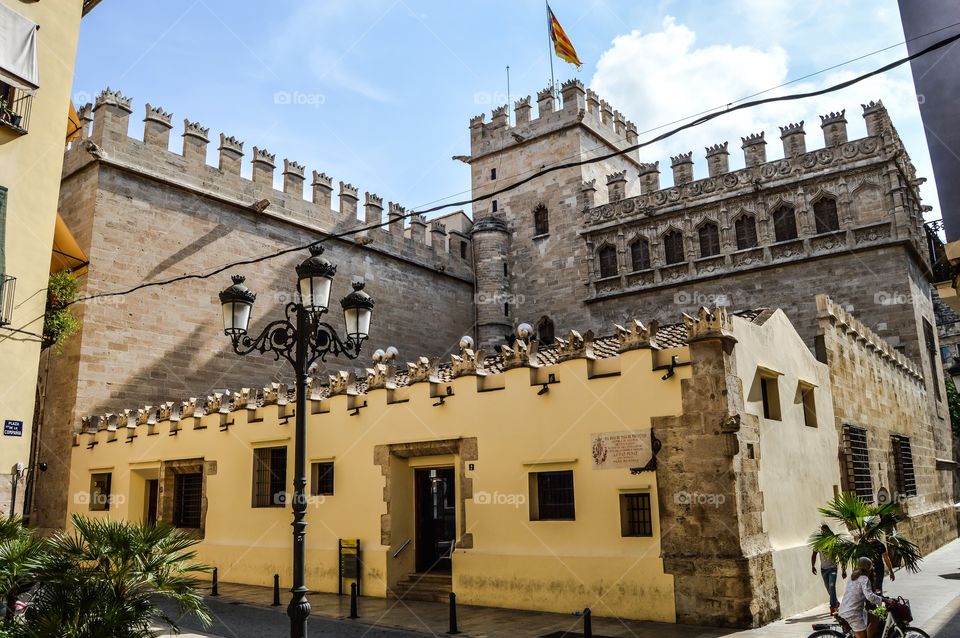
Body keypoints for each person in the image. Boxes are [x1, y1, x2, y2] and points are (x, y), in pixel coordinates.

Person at [838, 557, 893, 638]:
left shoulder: (852, 577)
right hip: (853, 613)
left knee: (874, 619)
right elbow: (869, 596)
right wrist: (885, 600)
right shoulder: (864, 579)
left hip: (849, 609)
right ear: (869, 569)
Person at [811, 525, 846, 613]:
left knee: (831, 586)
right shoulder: (818, 542)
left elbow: (841, 556)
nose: (823, 533)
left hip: (832, 568)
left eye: (825, 531)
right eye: (822, 531)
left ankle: (832, 607)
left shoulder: (833, 542)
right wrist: (813, 566)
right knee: (828, 588)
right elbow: (814, 554)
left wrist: (843, 569)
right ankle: (836, 603)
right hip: (823, 569)